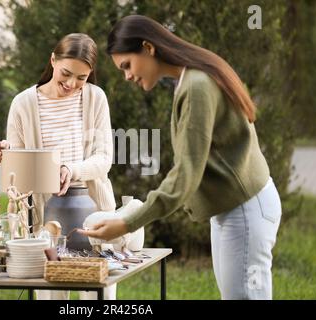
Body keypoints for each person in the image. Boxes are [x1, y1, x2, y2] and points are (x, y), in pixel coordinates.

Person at [78, 15, 282, 300]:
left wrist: (127, 223)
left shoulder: (196, 86)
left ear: (148, 48)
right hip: (234, 209)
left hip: (244, 209)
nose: (126, 76)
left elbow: (185, 175)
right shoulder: (190, 78)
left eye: (127, 65)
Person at [0, 33, 116, 300]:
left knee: (97, 297)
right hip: (45, 222)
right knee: (51, 295)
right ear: (53, 60)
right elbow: (17, 174)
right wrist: (6, 155)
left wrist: (71, 169)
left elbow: (104, 158)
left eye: (82, 78)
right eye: (66, 73)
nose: (72, 84)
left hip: (94, 214)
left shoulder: (96, 98)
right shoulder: (23, 104)